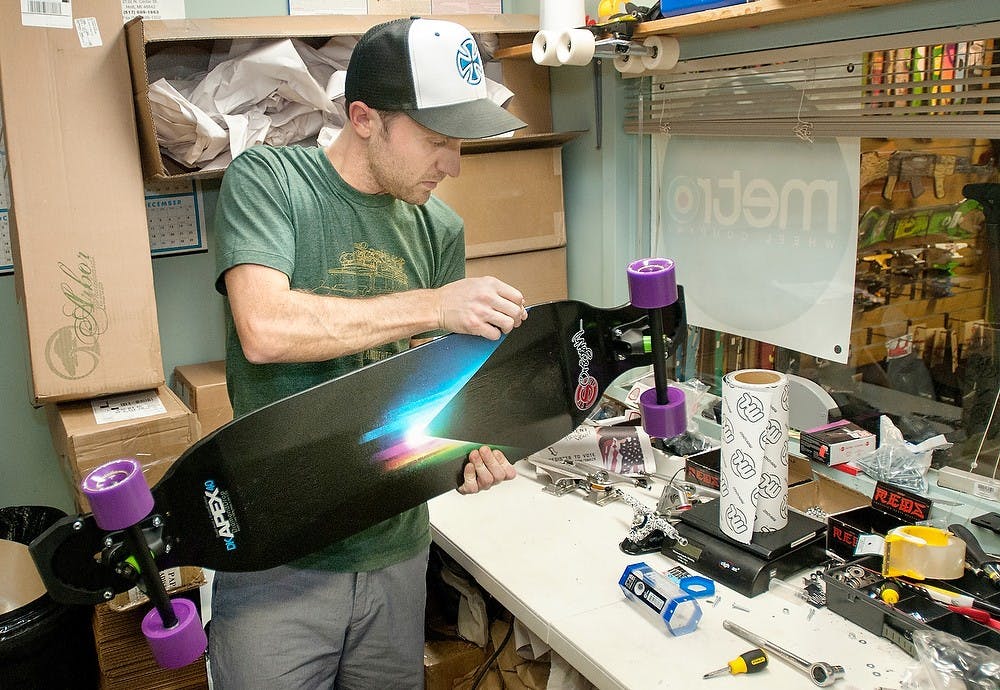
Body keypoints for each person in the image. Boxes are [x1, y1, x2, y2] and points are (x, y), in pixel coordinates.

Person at [209, 17, 529, 689]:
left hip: (398, 553)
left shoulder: (441, 229)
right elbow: (264, 328)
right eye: (436, 141)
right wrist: (435, 303)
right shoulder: (270, 181)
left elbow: (436, 392)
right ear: (363, 117)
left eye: (458, 143)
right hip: (279, 557)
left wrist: (467, 449)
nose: (453, 164)